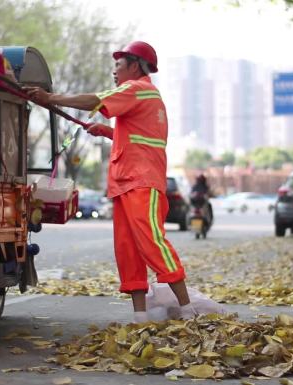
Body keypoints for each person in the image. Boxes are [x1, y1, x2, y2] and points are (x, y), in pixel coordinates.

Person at [26, 41, 196, 323]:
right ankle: (140, 316)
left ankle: (188, 309)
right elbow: (137, 137)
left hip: (141, 181)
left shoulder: (137, 89)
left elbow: (94, 100)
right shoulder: (142, 96)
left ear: (134, 65)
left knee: (151, 241)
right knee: (128, 249)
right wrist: (107, 131)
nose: (114, 71)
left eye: (118, 65)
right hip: (125, 182)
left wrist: (50, 98)